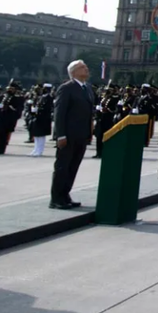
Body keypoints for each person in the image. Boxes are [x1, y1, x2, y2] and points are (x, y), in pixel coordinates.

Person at [50, 60, 94, 210]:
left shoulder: (87, 88)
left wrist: (89, 133)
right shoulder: (66, 88)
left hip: (81, 135)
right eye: (83, 67)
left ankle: (65, 194)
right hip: (67, 135)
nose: (86, 69)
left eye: (86, 67)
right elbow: (59, 113)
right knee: (63, 166)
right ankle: (56, 198)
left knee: (73, 167)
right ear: (73, 71)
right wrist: (60, 135)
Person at [0, 81, 24, 155]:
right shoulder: (3, 97)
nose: (9, 90)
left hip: (9, 119)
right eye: (9, 88)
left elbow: (18, 110)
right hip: (1, 117)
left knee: (4, 135)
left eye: (11, 89)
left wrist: (11, 108)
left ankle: (1, 150)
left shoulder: (17, 99)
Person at [29, 84, 54, 156]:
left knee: (41, 135)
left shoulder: (49, 97)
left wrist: (38, 110)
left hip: (44, 118)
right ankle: (36, 149)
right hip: (39, 117)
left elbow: (46, 108)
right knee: (36, 134)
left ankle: (40, 150)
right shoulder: (42, 97)